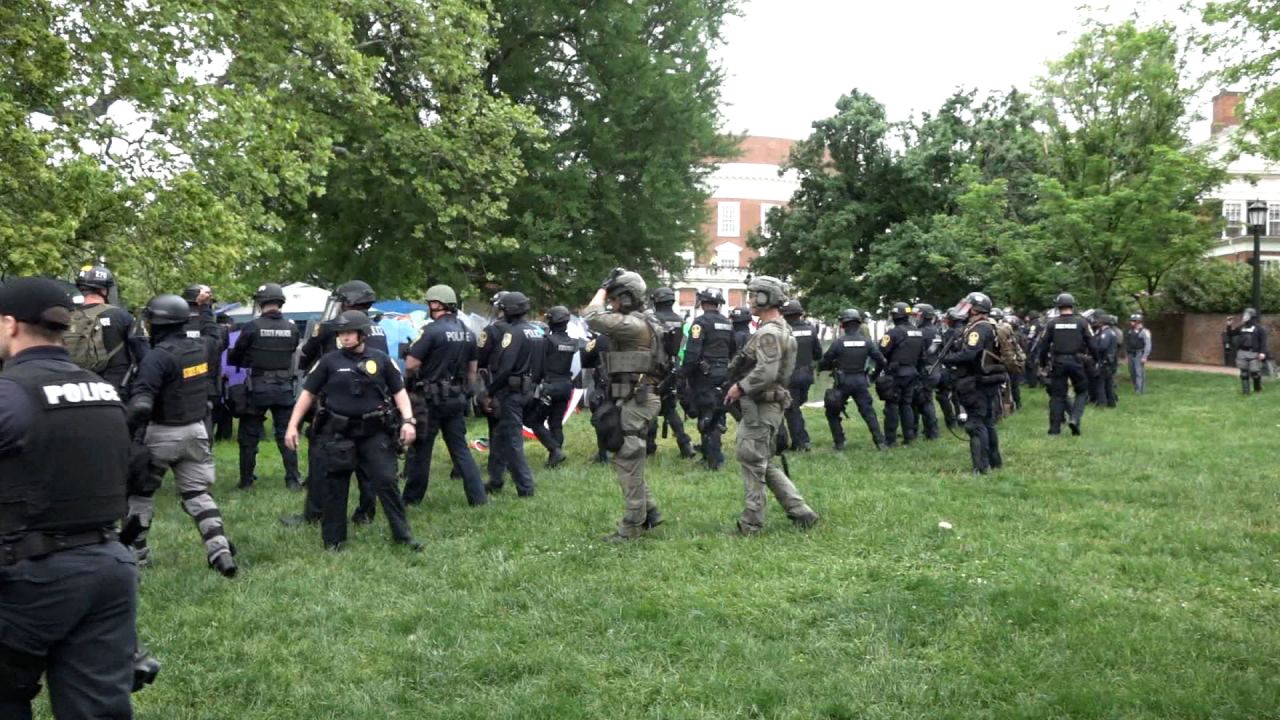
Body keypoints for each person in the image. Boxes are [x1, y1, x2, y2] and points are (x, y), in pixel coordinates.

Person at [0, 278, 140, 719]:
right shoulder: (104, 391)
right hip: (109, 568)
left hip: (31, 577)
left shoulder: (11, 392)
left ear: (9, 325)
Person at [284, 311, 421, 552]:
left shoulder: (380, 359)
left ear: (362, 334)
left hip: (375, 432)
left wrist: (408, 420)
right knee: (335, 485)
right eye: (341, 334)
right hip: (338, 433)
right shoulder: (329, 361)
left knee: (387, 481)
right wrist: (292, 425)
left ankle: (403, 535)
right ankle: (333, 541)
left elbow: (399, 391)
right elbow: (308, 394)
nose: (344, 338)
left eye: (349, 333)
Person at [125, 294, 237, 576]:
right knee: (197, 495)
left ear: (157, 323)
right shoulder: (200, 347)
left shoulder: (157, 357)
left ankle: (137, 556)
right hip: (197, 432)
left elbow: (141, 404)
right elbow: (214, 335)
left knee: (140, 496)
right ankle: (220, 551)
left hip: (162, 435)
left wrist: (126, 432)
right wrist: (206, 307)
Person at [725, 276, 819, 534]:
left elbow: (766, 372)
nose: (751, 299)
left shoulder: (768, 332)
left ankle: (751, 523)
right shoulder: (780, 328)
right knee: (763, 461)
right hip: (768, 404)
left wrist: (739, 387)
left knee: (752, 461)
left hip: (761, 405)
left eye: (755, 294)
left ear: (767, 297)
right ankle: (800, 512)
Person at [289, 280, 382, 527]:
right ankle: (365, 512)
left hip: (336, 406)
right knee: (366, 463)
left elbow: (306, 354)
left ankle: (314, 512)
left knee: (321, 458)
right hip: (372, 407)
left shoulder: (333, 327)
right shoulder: (377, 329)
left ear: (347, 302)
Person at [584, 270, 667, 540]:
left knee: (627, 462)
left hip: (637, 399)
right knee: (630, 458)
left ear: (627, 298)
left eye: (615, 298)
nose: (611, 303)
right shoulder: (645, 320)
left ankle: (631, 528)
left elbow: (591, 316)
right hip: (637, 397)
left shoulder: (632, 325)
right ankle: (650, 512)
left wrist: (602, 287)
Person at [401, 285, 487, 507]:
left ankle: (411, 499)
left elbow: (411, 364)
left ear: (435, 304)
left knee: (422, 450)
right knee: (460, 450)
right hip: (456, 398)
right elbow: (472, 371)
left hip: (430, 400)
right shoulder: (469, 333)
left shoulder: (431, 330)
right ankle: (478, 498)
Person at [227, 283, 302, 490]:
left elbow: (237, 356)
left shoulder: (252, 327)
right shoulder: (292, 328)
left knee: (249, 436)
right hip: (284, 388)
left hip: (258, 387)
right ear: (280, 302)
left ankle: (247, 481)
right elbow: (293, 350)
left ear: (260, 303)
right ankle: (293, 479)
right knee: (286, 434)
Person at [483, 292, 543, 497]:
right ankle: (496, 479)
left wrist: (490, 392)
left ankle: (525, 487)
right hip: (527, 390)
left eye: (502, 308)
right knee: (500, 436)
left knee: (512, 440)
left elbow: (505, 368)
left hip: (511, 392)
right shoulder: (536, 332)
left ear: (509, 310)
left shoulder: (513, 333)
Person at [941, 292, 1005, 474]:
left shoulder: (978, 329)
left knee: (976, 424)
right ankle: (995, 462)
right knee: (987, 422)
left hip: (977, 382)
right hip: (987, 380)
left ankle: (981, 467)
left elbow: (970, 354)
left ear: (975, 310)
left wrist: (947, 358)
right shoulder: (988, 325)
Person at [66, 264, 149, 393]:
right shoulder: (121, 316)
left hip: (76, 391)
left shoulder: (66, 317)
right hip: (114, 391)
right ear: (104, 290)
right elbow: (144, 354)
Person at [681, 288, 737, 470]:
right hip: (723, 373)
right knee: (716, 413)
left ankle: (714, 460)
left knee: (706, 416)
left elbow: (692, 353)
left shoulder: (700, 323)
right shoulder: (728, 323)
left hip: (705, 376)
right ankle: (709, 453)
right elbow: (733, 350)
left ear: (702, 303)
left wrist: (684, 373)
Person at [819, 308, 886, 450]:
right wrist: (873, 376)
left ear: (843, 324)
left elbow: (825, 362)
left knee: (832, 412)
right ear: (858, 324)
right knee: (869, 413)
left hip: (842, 382)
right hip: (861, 381)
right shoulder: (867, 342)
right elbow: (881, 361)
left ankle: (839, 443)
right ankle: (880, 442)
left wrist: (829, 366)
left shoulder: (838, 343)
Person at [1037, 293, 1095, 436]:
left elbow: (1043, 345)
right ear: (1072, 306)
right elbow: (1092, 343)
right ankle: (1075, 418)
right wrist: (1096, 359)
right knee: (1082, 391)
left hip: (1059, 362)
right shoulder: (1082, 322)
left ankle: (1054, 430)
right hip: (1076, 361)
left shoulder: (1052, 323)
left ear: (1058, 307)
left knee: (1057, 396)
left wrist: (1043, 363)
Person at [646, 288, 695, 458]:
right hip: (673, 368)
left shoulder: (650, 319)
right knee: (670, 409)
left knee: (649, 407)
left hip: (653, 369)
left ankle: (649, 446)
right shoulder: (680, 320)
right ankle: (685, 444)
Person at [530, 306, 574, 469]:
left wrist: (534, 385)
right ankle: (555, 457)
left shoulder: (546, 341)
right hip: (566, 386)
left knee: (535, 422)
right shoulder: (571, 342)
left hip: (549, 386)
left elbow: (538, 366)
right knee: (556, 423)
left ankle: (554, 450)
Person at [877, 301, 925, 447]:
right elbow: (922, 355)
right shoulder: (918, 332)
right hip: (912, 372)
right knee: (907, 405)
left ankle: (890, 440)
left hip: (896, 374)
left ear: (894, 316)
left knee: (892, 406)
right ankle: (909, 437)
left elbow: (882, 351)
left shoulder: (894, 332)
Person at [781, 299, 820, 451]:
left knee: (792, 410)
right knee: (795, 406)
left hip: (790, 376)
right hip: (807, 375)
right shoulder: (811, 330)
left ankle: (801, 442)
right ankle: (801, 440)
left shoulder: (783, 331)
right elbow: (818, 354)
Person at [912, 303, 942, 440]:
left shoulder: (921, 333)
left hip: (925, 370)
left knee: (925, 402)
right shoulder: (936, 331)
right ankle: (926, 430)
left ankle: (932, 432)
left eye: (916, 315)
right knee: (924, 400)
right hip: (935, 369)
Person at [1226, 308, 1269, 395]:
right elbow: (1231, 334)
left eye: (1246, 315)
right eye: (1244, 314)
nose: (1244, 316)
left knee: (1255, 373)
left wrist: (1263, 352)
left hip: (1254, 352)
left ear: (1252, 316)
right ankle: (1246, 392)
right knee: (1244, 373)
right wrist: (1229, 325)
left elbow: (1264, 341)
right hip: (1242, 352)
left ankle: (1258, 389)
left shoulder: (1259, 328)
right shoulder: (1241, 327)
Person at [1092, 313, 1120, 408]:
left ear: (1103, 323)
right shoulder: (1111, 332)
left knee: (1100, 382)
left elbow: (1103, 346)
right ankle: (1111, 403)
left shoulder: (1105, 333)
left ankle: (1101, 402)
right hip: (1110, 361)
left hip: (1105, 361)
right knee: (1108, 383)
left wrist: (1095, 347)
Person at [1125, 313, 1151, 394]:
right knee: (1132, 372)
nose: (1131, 323)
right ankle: (1136, 387)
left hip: (1139, 353)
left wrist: (1145, 356)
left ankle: (1140, 390)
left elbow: (1148, 344)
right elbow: (1127, 344)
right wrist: (1126, 355)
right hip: (1130, 354)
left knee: (1139, 372)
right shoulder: (1130, 331)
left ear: (1138, 322)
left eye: (1133, 321)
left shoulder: (1144, 332)